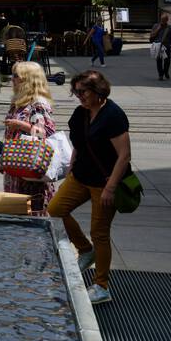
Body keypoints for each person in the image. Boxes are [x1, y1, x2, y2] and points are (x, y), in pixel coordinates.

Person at [49, 70, 131, 305]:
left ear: (98, 91)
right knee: (55, 210)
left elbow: (124, 156)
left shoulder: (112, 115)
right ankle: (85, 250)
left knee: (100, 233)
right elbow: (79, 142)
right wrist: (72, 164)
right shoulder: (80, 113)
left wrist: (110, 188)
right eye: (75, 92)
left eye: (82, 92)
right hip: (81, 176)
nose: (79, 96)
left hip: (104, 183)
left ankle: (101, 286)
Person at [1, 62, 57, 216]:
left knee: (32, 213)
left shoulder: (38, 104)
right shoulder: (18, 101)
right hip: (17, 166)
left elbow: (46, 133)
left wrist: (20, 125)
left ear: (28, 80)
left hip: (30, 170)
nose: (12, 79)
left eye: (16, 76)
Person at [149, 12, 171, 81]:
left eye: (164, 20)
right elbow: (152, 35)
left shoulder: (170, 28)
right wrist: (159, 28)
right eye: (162, 20)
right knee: (159, 61)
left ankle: (166, 72)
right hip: (157, 46)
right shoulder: (156, 26)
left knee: (167, 61)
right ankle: (160, 75)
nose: (163, 21)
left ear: (167, 20)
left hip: (166, 46)